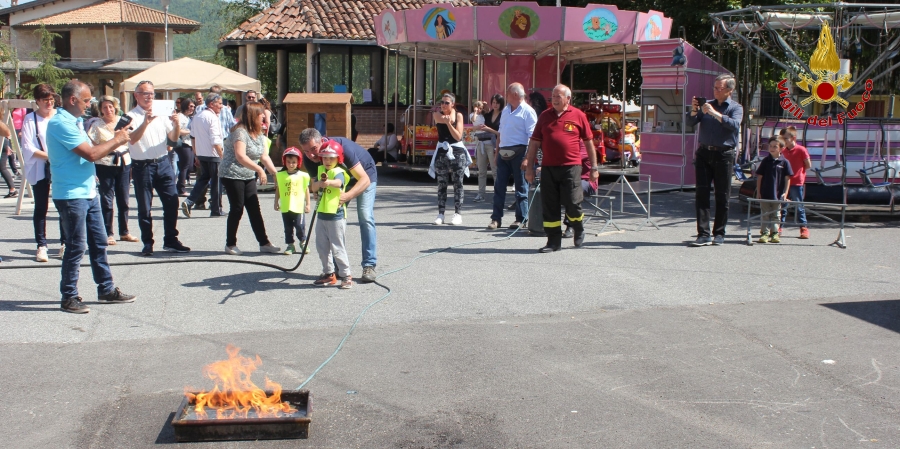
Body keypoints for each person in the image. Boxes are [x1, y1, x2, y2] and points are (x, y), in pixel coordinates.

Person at [46, 79, 136, 314]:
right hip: (71, 194)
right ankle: (69, 296)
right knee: (76, 246)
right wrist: (117, 140)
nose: (90, 105)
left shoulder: (76, 122)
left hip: (87, 191)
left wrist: (115, 139)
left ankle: (105, 288)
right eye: (86, 100)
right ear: (72, 100)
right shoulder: (60, 123)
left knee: (98, 243)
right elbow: (90, 154)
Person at [523, 84, 599, 252]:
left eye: (558, 96)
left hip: (571, 167)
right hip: (548, 168)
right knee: (550, 205)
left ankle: (577, 227)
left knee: (572, 202)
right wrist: (529, 167)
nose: (554, 99)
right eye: (553, 96)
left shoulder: (578, 115)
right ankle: (553, 242)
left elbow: (588, 143)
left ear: (567, 99)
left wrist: (594, 167)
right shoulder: (544, 116)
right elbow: (535, 142)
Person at [298, 128, 379, 283]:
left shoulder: (342, 148)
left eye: (314, 149)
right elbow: (316, 184)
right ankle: (335, 270)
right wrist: (317, 191)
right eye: (306, 151)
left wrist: (347, 196)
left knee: (365, 216)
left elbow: (364, 179)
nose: (311, 155)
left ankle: (369, 265)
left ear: (322, 141)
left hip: (364, 175)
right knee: (334, 219)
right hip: (336, 182)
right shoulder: (309, 158)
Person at [126, 80, 190, 256]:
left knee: (172, 201)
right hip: (142, 165)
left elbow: (172, 139)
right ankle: (148, 242)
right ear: (136, 95)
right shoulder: (130, 116)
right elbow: (132, 139)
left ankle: (171, 239)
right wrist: (145, 122)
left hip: (163, 162)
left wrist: (176, 124)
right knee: (145, 207)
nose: (149, 97)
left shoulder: (162, 112)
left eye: (152, 93)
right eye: (145, 93)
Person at [686, 74, 743, 247]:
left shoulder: (735, 107)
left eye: (720, 88)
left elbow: (734, 125)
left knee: (722, 195)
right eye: (715, 88)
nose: (716, 91)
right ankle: (703, 234)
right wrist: (695, 110)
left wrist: (714, 113)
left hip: (724, 154)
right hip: (704, 152)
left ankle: (719, 233)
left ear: (729, 91)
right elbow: (690, 122)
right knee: (701, 194)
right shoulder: (707, 105)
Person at [219, 101, 280, 255]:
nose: (264, 118)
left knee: (254, 208)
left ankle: (264, 243)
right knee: (238, 207)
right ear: (253, 115)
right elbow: (240, 156)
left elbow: (264, 156)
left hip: (247, 174)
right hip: (232, 173)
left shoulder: (259, 133)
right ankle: (230, 244)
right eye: (261, 115)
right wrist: (259, 169)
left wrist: (276, 174)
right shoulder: (240, 132)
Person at [20, 84, 66, 262]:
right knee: (41, 207)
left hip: (61, 166)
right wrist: (49, 156)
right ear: (37, 101)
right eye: (45, 99)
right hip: (41, 165)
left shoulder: (60, 116)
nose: (49, 102)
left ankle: (65, 242)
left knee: (63, 204)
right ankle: (41, 245)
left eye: (51, 99)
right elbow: (28, 147)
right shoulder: (30, 119)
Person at [87, 96, 138, 247]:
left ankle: (124, 231)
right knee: (107, 199)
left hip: (123, 161)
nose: (108, 110)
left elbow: (133, 138)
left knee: (124, 199)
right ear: (100, 110)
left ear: (115, 107)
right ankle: (108, 232)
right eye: (104, 107)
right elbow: (94, 145)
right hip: (104, 163)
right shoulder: (96, 125)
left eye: (110, 107)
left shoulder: (123, 122)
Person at [489, 82, 537, 230]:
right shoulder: (505, 111)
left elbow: (533, 137)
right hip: (504, 151)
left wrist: (528, 158)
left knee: (521, 187)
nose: (506, 95)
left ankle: (521, 219)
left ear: (515, 94)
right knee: (499, 187)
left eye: (508, 92)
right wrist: (497, 153)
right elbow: (500, 133)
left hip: (520, 152)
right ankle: (496, 219)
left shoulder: (528, 111)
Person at [310, 141, 353, 289]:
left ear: (338, 159)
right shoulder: (320, 169)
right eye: (325, 158)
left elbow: (338, 183)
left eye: (331, 158)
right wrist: (318, 185)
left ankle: (346, 275)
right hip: (322, 215)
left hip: (336, 215)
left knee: (337, 247)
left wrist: (327, 182)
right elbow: (313, 186)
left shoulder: (339, 171)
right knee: (322, 247)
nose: (327, 161)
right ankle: (329, 273)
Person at [429, 93, 471, 225]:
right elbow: (442, 119)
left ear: (453, 104)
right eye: (442, 102)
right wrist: (447, 121)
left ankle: (458, 213)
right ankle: (441, 213)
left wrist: (449, 124)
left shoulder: (459, 115)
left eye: (447, 102)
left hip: (457, 151)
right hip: (442, 151)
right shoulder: (437, 114)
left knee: (458, 183)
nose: (443, 105)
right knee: (442, 183)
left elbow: (458, 136)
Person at [181, 93, 224, 218]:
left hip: (202, 154)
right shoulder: (212, 117)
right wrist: (222, 155)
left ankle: (189, 202)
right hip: (213, 154)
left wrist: (196, 154)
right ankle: (216, 209)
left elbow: (193, 136)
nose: (221, 106)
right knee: (216, 183)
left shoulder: (197, 116)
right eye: (220, 103)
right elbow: (215, 139)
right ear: (212, 104)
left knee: (203, 179)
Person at [755, 136, 793, 244]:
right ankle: (764, 233)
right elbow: (760, 177)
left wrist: (785, 193)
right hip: (765, 193)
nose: (772, 148)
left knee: (776, 214)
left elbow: (787, 179)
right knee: (765, 214)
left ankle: (775, 233)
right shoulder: (765, 161)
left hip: (778, 194)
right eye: (770, 146)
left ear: (781, 148)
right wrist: (758, 192)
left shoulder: (784, 162)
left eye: (775, 146)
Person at [275, 147, 311, 255]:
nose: (291, 164)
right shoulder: (281, 175)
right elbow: (279, 189)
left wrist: (308, 204)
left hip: (298, 207)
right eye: (288, 162)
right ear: (284, 162)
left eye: (294, 162)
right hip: (286, 206)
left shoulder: (303, 176)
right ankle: (290, 245)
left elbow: (306, 190)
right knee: (287, 227)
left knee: (300, 226)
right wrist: (276, 202)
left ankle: (303, 241)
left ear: (298, 162)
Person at [779, 126, 811, 239]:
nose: (784, 141)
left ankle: (804, 228)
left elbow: (808, 164)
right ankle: (779, 227)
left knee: (799, 205)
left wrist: (799, 173)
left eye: (786, 139)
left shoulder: (801, 150)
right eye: (782, 139)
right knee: (782, 205)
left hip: (797, 181)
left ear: (793, 138)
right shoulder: (782, 151)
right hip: (784, 181)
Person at [474, 94, 503, 203]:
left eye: (497, 102)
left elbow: (501, 133)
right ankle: (481, 194)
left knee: (495, 171)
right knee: (481, 171)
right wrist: (481, 107)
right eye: (494, 102)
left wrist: (489, 129)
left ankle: (497, 194)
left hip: (494, 144)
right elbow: (476, 118)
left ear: (501, 103)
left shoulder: (503, 115)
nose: (495, 105)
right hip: (482, 142)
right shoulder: (488, 114)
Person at [173, 98, 195, 196]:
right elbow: (178, 131)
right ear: (185, 106)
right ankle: (181, 189)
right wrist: (191, 131)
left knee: (189, 166)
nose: (192, 108)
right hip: (182, 143)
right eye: (191, 106)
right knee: (185, 166)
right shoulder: (180, 117)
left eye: (194, 106)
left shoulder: (188, 117)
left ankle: (180, 185)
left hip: (189, 143)